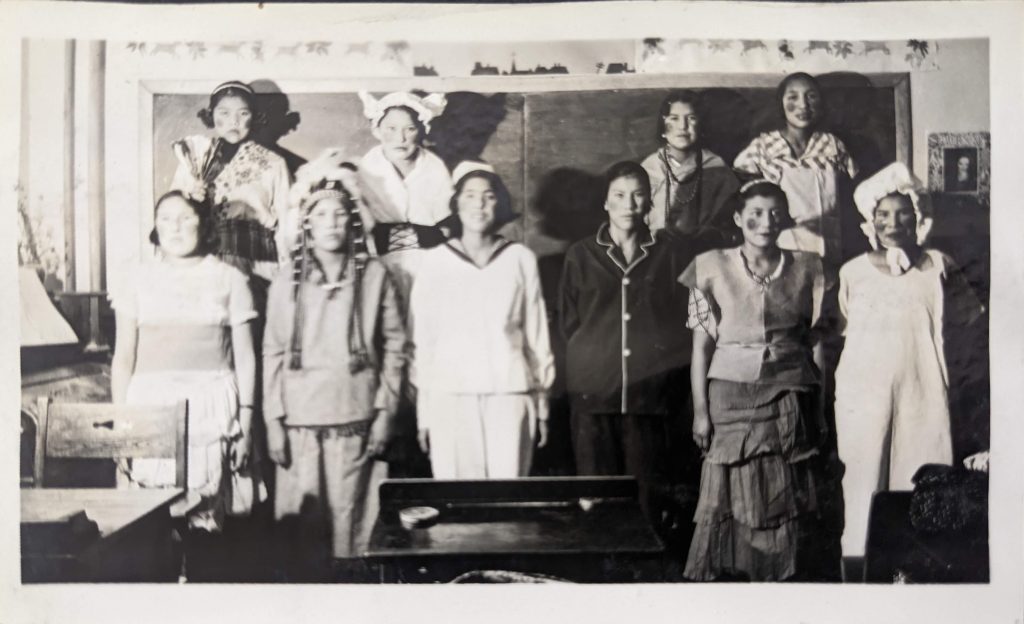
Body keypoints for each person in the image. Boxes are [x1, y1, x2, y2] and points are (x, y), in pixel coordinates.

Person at [262, 155, 406, 577]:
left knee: (355, 531)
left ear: (353, 221)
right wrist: (273, 420)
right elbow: (272, 350)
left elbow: (397, 346)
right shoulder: (285, 279)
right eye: (320, 214)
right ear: (305, 222)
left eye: (339, 213)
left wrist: (386, 413)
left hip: (357, 417)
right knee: (302, 535)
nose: (330, 223)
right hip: (299, 421)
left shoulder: (376, 275)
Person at [834, 162, 984, 565]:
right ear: (871, 219)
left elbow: (969, 326)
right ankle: (861, 566)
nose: (893, 223)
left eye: (904, 213)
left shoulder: (939, 266)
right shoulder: (853, 272)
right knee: (864, 475)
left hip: (925, 389)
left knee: (922, 473)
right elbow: (842, 331)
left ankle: (918, 566)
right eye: (883, 214)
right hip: (863, 394)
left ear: (919, 217)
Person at [680, 180, 828, 582]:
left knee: (784, 489)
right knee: (732, 487)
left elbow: (817, 343)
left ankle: (777, 584)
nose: (766, 221)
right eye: (757, 212)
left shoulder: (810, 266)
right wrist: (700, 413)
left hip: (790, 390)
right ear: (738, 217)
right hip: (729, 393)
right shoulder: (708, 266)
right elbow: (701, 346)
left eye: (775, 212)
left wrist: (820, 404)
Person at [110, 191, 264, 533]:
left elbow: (245, 357)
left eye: (185, 218)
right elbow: (123, 359)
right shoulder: (135, 279)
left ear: (204, 224)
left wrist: (247, 424)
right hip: (149, 407)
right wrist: (121, 428)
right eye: (165, 218)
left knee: (205, 521)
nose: (174, 228)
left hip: (211, 408)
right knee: (150, 523)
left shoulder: (231, 279)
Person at [559, 161, 695, 529]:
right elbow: (568, 322)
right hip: (592, 392)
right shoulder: (581, 254)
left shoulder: (669, 254)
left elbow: (681, 323)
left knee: (647, 496)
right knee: (595, 495)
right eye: (619, 195)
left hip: (649, 395)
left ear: (649, 202)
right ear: (606, 202)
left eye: (638, 195)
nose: (628, 204)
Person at [411, 162, 554, 479]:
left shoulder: (520, 259)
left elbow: (537, 337)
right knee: (457, 501)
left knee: (509, 496)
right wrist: (425, 414)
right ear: (456, 203)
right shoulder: (435, 262)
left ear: (499, 205)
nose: (479, 204)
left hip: (510, 395)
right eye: (470, 195)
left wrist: (541, 404)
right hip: (450, 397)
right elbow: (424, 344)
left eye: (489, 196)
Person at [733, 72, 858, 269]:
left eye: (811, 96)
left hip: (827, 245)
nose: (803, 105)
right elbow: (742, 193)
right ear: (781, 104)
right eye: (793, 97)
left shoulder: (832, 144)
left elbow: (853, 193)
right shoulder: (763, 146)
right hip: (780, 245)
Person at [170, 80, 292, 282]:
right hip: (201, 264)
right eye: (224, 113)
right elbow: (170, 215)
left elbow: (287, 226)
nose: (233, 121)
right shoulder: (193, 159)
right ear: (212, 114)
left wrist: (284, 281)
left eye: (243, 113)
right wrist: (190, 198)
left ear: (253, 117)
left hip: (254, 265)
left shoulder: (274, 164)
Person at [356, 90, 453, 305]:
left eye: (410, 129)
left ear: (421, 130)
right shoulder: (366, 169)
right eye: (391, 129)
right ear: (378, 130)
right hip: (381, 263)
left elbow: (445, 222)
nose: (400, 138)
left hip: (428, 261)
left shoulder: (434, 168)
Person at [640, 90, 739, 250]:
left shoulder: (716, 166)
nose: (683, 126)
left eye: (691, 118)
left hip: (706, 250)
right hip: (656, 250)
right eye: (674, 118)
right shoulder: (649, 168)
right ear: (663, 127)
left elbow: (728, 221)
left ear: (701, 125)